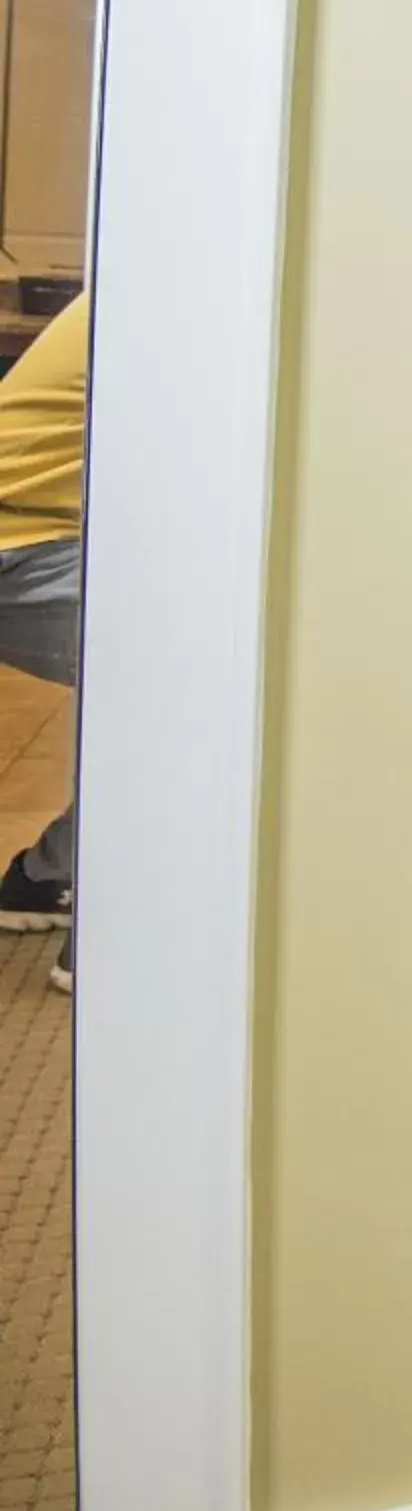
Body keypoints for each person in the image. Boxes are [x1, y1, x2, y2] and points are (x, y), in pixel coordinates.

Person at [0, 291, 87, 993]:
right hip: (20, 540)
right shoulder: (188, 280)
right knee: (197, 674)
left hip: (32, 533)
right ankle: (128, 924)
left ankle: (45, 877)